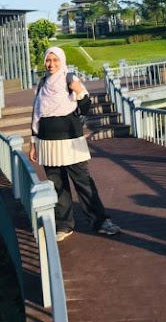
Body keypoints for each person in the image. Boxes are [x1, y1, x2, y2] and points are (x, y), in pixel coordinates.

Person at [29, 47, 121, 242]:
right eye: (48, 60)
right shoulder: (43, 84)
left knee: (83, 181)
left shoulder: (70, 79)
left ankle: (100, 221)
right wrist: (33, 142)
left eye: (55, 60)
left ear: (62, 61)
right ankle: (64, 224)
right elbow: (36, 114)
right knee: (57, 184)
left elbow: (85, 107)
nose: (51, 64)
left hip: (71, 141)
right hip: (47, 142)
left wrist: (79, 92)